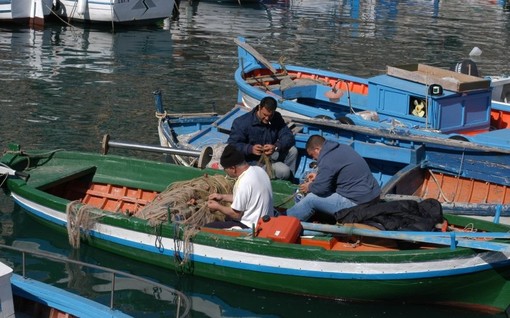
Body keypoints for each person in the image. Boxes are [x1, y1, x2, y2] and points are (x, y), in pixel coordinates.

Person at [286, 135, 381, 222]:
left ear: (317, 150)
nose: (314, 159)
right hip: (373, 196)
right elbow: (337, 172)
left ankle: (285, 220)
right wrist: (318, 176)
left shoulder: (327, 160)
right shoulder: (342, 148)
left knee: (310, 199)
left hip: (358, 204)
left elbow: (321, 189)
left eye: (312, 155)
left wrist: (309, 187)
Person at [227, 96, 298, 180]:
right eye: (265, 115)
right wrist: (250, 149)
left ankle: (288, 182)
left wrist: (275, 146)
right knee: (284, 171)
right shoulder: (242, 123)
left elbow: (288, 136)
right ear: (259, 108)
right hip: (252, 163)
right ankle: (281, 179)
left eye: (270, 116)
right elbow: (232, 145)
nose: (267, 118)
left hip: (270, 156)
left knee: (293, 151)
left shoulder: (276, 118)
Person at [204, 144, 273, 229]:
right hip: (266, 221)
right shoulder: (259, 170)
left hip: (251, 227)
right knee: (226, 218)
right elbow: (246, 198)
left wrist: (217, 207)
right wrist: (222, 197)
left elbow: (236, 214)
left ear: (233, 168)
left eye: (226, 169)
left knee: (207, 227)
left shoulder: (243, 182)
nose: (226, 173)